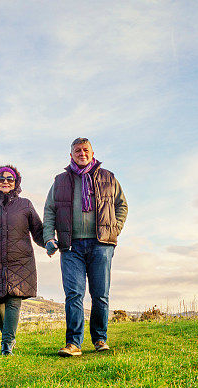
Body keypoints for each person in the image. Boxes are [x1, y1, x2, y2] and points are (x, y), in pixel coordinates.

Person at [43, 138, 128, 356]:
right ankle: (73, 344)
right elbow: (50, 211)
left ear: (92, 153)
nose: (82, 153)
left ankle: (100, 339)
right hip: (71, 246)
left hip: (102, 244)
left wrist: (114, 229)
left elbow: (122, 205)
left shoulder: (108, 177)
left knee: (100, 294)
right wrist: (48, 238)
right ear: (71, 155)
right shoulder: (60, 180)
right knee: (74, 294)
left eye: (85, 150)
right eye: (77, 151)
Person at [0, 165, 45, 355]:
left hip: (19, 260)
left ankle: (7, 344)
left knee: (14, 299)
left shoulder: (26, 205)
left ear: (16, 182)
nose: (5, 182)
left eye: (10, 178)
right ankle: (8, 340)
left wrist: (51, 243)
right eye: (1, 179)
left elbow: (38, 230)